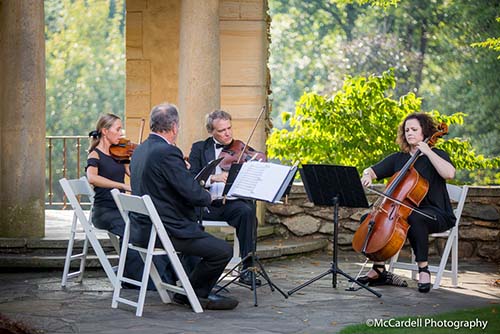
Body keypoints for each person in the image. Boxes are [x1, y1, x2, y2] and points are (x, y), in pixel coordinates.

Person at [129, 103, 238, 310]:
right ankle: (194, 293)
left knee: (201, 238)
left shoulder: (141, 149)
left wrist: (183, 171)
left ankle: (190, 288)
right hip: (165, 230)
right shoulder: (167, 152)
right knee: (223, 250)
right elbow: (191, 193)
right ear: (175, 127)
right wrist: (208, 197)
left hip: (142, 229)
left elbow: (163, 185)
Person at [358, 112, 456, 293]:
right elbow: (370, 170)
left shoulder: (436, 154)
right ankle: (378, 268)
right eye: (407, 130)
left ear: (425, 131)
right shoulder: (399, 158)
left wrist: (427, 151)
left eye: (414, 129)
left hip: (436, 213)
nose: (409, 133)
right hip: (405, 211)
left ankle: (423, 269)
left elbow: (449, 174)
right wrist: (367, 176)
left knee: (415, 219)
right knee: (369, 219)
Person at [86, 113, 174, 288]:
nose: (121, 133)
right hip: (105, 211)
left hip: (120, 208)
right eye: (118, 129)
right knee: (134, 232)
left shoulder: (120, 154)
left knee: (150, 227)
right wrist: (122, 186)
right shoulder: (95, 155)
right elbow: (92, 178)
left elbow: (133, 175)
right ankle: (137, 281)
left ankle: (163, 277)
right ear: (105, 131)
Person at [188, 109, 261, 287]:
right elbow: (191, 178)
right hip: (207, 204)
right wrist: (213, 178)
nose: (227, 133)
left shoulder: (240, 148)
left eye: (229, 128)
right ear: (211, 131)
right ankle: (196, 271)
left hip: (230, 203)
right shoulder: (199, 148)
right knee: (188, 216)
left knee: (247, 212)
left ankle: (248, 268)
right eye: (221, 130)